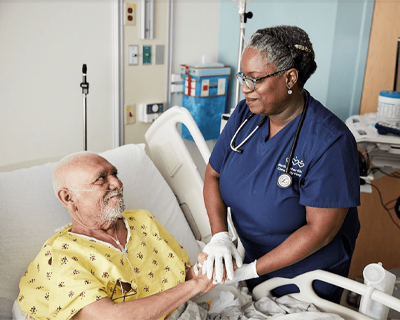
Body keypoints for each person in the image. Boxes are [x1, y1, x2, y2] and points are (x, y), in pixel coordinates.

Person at [202, 25, 361, 303]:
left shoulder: (329, 142)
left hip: (305, 277)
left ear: (289, 78)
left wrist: (252, 270)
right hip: (251, 262)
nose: (245, 88)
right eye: (243, 77)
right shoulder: (245, 117)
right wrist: (220, 237)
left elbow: (319, 232)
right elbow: (212, 176)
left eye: (254, 79)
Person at [17, 152, 215, 320]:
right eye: (101, 178)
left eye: (115, 173)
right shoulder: (62, 255)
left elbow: (182, 275)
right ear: (68, 198)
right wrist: (195, 285)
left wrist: (203, 271)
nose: (117, 183)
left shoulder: (143, 221)